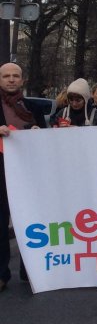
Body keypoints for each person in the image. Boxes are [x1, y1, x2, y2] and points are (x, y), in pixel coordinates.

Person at [0, 63, 47, 291]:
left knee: (30, 222)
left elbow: (47, 140)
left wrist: (39, 133)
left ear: (22, 80)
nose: (11, 80)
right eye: (6, 76)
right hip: (1, 174)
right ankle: (1, 274)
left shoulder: (32, 107)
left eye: (15, 76)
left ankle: (31, 271)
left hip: (28, 174)